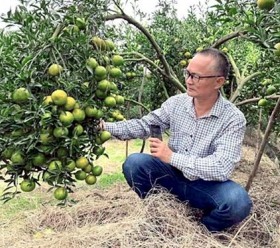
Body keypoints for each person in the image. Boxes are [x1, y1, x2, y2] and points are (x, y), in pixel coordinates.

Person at [100, 48, 252, 232]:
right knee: (135, 163)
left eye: (196, 76)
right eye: (187, 73)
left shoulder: (232, 118)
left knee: (238, 202)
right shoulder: (176, 104)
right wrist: (105, 127)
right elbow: (144, 125)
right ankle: (161, 214)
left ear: (218, 81)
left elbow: (221, 167)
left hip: (207, 185)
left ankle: (199, 231)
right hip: (171, 176)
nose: (188, 80)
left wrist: (171, 157)